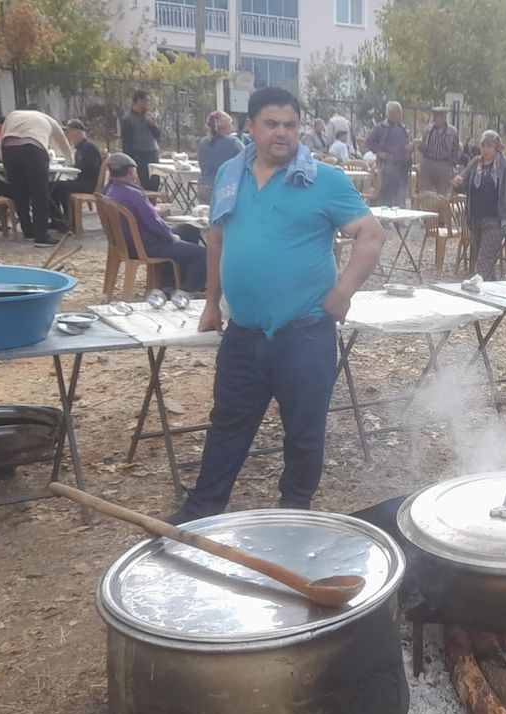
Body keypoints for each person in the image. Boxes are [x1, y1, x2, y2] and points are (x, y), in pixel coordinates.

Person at [163, 87, 386, 522]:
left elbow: (371, 235)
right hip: (244, 332)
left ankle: (294, 512)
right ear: (250, 127)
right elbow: (218, 239)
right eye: (271, 124)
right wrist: (211, 303)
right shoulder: (230, 172)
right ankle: (203, 507)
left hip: (304, 331)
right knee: (227, 424)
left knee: (303, 432)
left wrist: (342, 293)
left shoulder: (324, 180)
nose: (282, 133)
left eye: (290, 125)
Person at [104, 153, 206, 291]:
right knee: (201, 254)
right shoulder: (134, 194)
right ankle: (187, 290)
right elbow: (154, 223)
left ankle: (168, 282)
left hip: (126, 243)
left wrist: (154, 211)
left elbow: (141, 216)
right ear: (131, 172)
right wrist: (170, 236)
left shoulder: (110, 191)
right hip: (146, 244)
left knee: (189, 230)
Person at [451, 130, 506, 281]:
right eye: (483, 145)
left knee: (484, 259)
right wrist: (457, 183)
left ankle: (479, 291)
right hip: (476, 218)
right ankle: (492, 293)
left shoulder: (505, 167)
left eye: (489, 146)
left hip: (496, 220)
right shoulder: (474, 163)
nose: (485, 149)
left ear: (496, 148)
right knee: (485, 259)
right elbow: (464, 184)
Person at [0, 108, 73, 247]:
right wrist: (70, 161)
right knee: (39, 193)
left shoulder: (13, 114)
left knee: (19, 193)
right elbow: (63, 142)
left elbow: (2, 138)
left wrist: (4, 160)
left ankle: (28, 231)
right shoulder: (50, 120)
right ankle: (41, 236)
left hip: (9, 148)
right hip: (34, 148)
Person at [49, 119, 102, 230]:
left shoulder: (89, 148)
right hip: (80, 180)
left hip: (88, 183)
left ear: (77, 133)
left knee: (56, 187)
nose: (67, 135)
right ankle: (60, 219)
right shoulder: (80, 148)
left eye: (69, 132)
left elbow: (90, 167)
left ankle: (67, 221)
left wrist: (74, 168)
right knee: (53, 185)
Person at [367, 101, 413, 206]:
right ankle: (384, 219)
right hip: (387, 166)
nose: (400, 115)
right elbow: (369, 142)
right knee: (385, 196)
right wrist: (379, 153)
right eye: (397, 112)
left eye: (400, 112)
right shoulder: (381, 128)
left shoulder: (404, 129)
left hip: (402, 167)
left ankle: (399, 220)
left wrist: (410, 147)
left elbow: (408, 143)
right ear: (390, 114)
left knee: (400, 196)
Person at [197, 111, 245, 203]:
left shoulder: (202, 143)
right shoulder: (234, 142)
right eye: (231, 123)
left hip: (204, 186)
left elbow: (201, 164)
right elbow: (247, 159)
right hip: (225, 187)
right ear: (226, 126)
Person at [121, 90, 162, 191]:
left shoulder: (149, 116)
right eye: (146, 101)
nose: (148, 103)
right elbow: (126, 141)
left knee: (154, 183)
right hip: (138, 154)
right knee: (141, 185)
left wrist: (151, 123)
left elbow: (158, 134)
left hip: (152, 153)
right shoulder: (128, 118)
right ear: (139, 101)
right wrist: (129, 161)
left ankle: (153, 205)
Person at [417, 107, 460, 195]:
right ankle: (426, 208)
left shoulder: (452, 132)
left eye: (438, 117)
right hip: (428, 163)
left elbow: (455, 151)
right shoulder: (428, 130)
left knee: (442, 195)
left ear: (444, 118)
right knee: (425, 193)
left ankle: (440, 208)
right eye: (435, 117)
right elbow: (424, 147)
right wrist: (419, 146)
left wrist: (451, 166)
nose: (435, 119)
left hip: (443, 165)